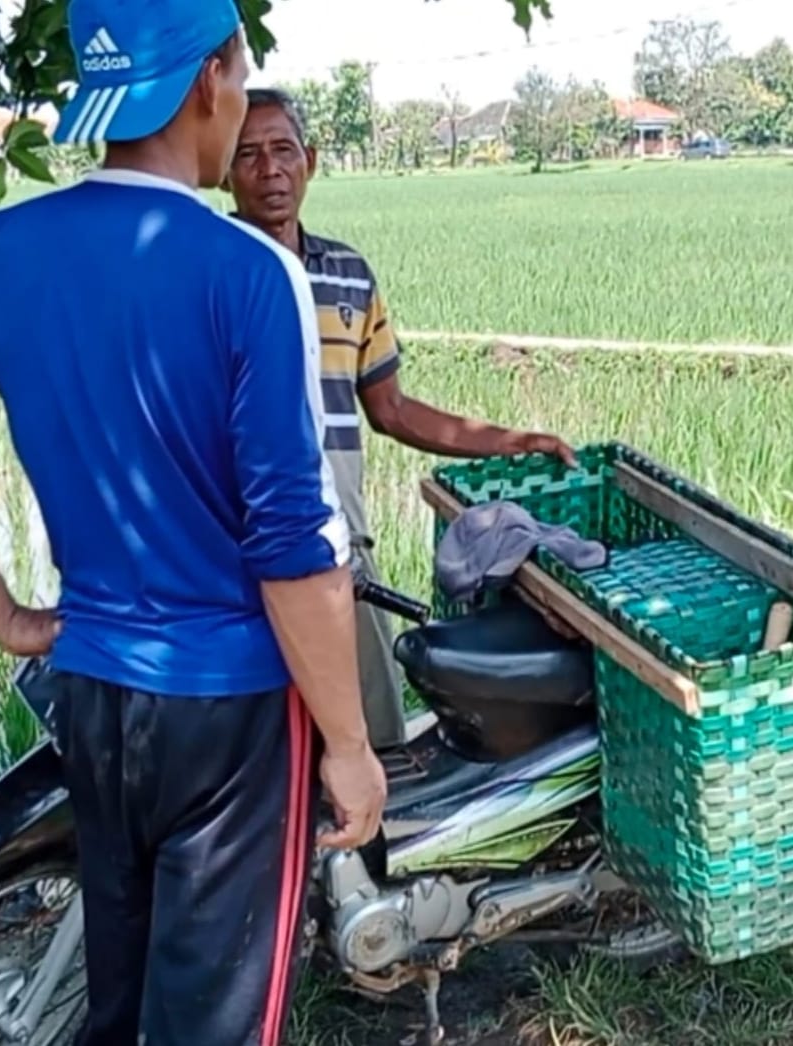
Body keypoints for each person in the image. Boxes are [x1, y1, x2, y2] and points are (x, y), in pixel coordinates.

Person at [0, 0, 386, 1042]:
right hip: (228, 714)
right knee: (211, 1020)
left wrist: (11, 619)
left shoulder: (3, 249)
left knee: (120, 999)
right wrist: (349, 742)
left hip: (93, 694)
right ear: (210, 82)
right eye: (240, 73)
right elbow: (290, 544)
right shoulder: (247, 270)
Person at [224, 87, 577, 751]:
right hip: (234, 549)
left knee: (368, 733)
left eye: (283, 150)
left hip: (338, 544)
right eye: (248, 155)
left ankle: (363, 852)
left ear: (312, 160)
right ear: (222, 169)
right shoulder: (207, 273)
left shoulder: (349, 277)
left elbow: (390, 409)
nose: (269, 170)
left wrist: (509, 442)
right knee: (254, 746)